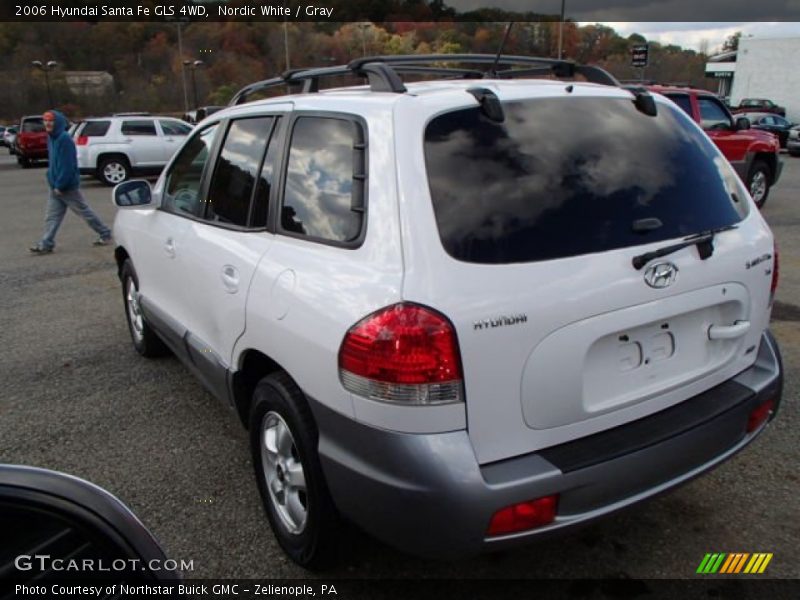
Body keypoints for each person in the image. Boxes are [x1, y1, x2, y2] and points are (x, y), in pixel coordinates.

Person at [29, 110, 112, 254]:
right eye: (45, 120)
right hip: (55, 185)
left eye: (51, 120)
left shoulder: (64, 139)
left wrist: (61, 185)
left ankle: (105, 233)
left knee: (84, 212)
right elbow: (53, 162)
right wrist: (51, 178)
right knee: (52, 217)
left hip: (66, 186)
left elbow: (68, 165)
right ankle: (46, 243)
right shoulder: (51, 138)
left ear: (58, 123)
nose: (47, 123)